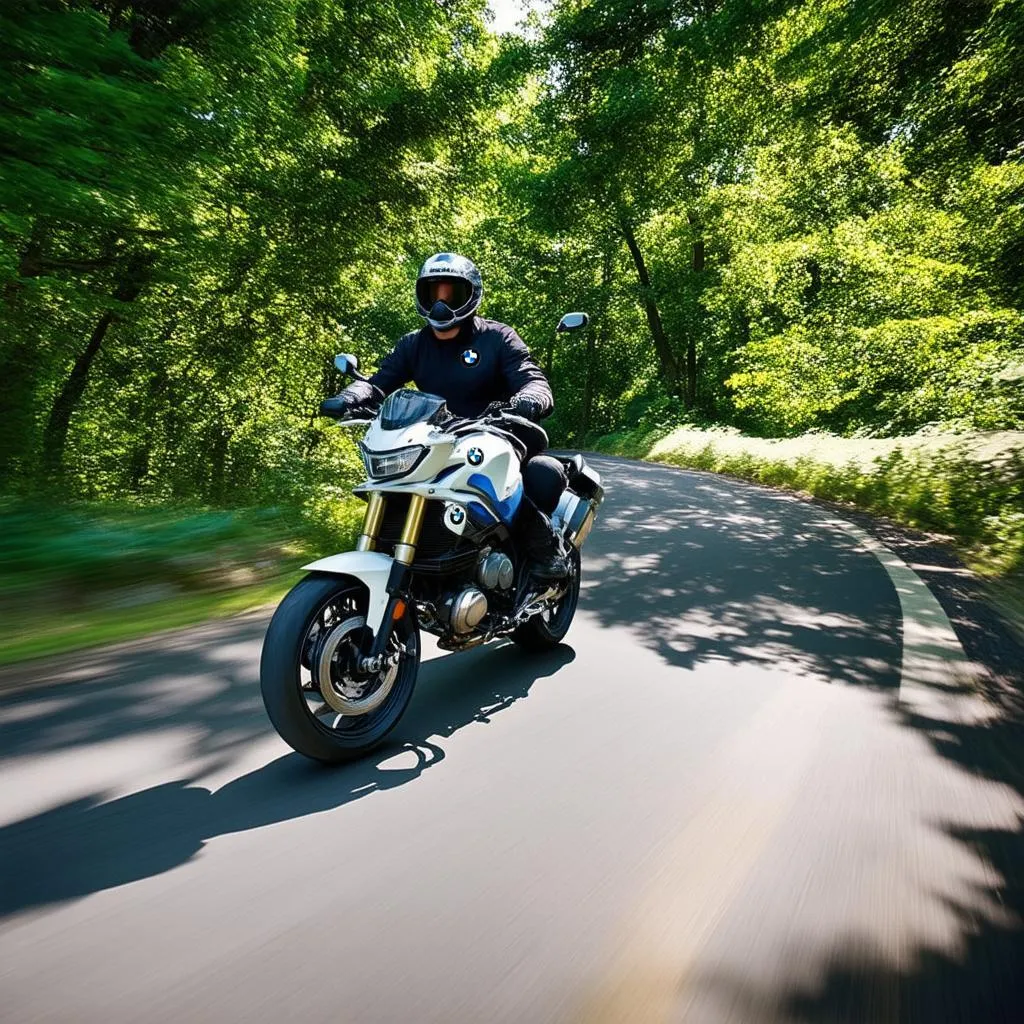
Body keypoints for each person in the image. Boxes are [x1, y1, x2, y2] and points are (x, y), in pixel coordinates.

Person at [320, 251, 571, 579]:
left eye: (451, 293)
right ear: (421, 296)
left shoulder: (497, 337)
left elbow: (530, 376)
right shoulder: (413, 344)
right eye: (433, 293)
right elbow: (378, 384)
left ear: (473, 295)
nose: (441, 304)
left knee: (500, 482)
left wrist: (531, 397)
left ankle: (547, 549)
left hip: (497, 429)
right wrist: (350, 396)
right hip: (436, 436)